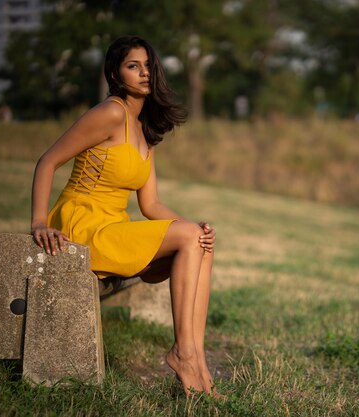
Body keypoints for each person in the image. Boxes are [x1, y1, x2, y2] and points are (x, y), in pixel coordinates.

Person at [30, 35, 218, 397]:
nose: (144, 73)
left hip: (114, 228)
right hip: (82, 227)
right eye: (134, 66)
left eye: (148, 65)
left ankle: (196, 361)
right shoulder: (111, 113)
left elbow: (152, 206)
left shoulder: (144, 134)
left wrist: (194, 227)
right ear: (116, 74)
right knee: (192, 237)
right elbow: (48, 161)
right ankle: (183, 353)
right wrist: (39, 221)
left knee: (202, 242)